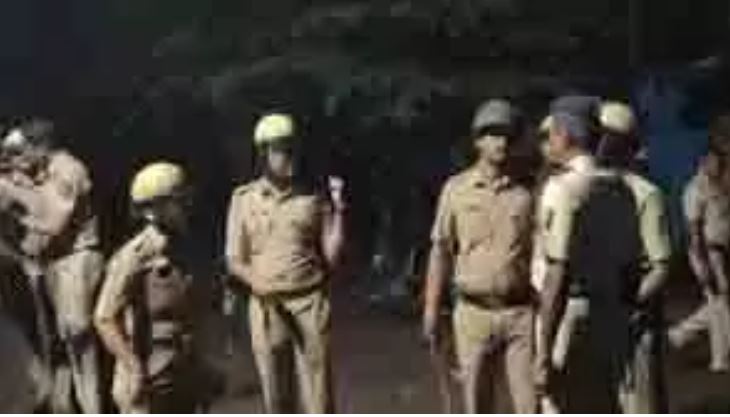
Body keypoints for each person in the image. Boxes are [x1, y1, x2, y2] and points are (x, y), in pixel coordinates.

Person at [225, 113, 347, 413]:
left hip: (310, 303)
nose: (290, 156)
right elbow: (234, 259)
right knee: (276, 398)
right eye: (281, 150)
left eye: (293, 148)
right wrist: (257, 283)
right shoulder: (243, 199)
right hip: (267, 307)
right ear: (263, 155)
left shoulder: (313, 197)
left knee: (319, 398)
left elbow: (331, 257)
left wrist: (340, 212)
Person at [422, 99, 537, 413]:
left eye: (507, 135)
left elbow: (538, 255)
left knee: (530, 405)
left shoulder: (526, 194)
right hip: (472, 314)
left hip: (519, 314)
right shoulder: (455, 190)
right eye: (493, 134)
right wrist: (431, 308)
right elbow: (440, 251)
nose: (501, 142)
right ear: (477, 141)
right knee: (476, 406)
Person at [536, 96, 642, 413]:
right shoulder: (622, 190)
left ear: (565, 134)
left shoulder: (562, 189)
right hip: (610, 314)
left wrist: (543, 353)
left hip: (569, 317)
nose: (549, 140)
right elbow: (630, 267)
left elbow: (557, 273)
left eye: (552, 133)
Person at [0, 119, 103, 413]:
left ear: (41, 147)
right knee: (60, 349)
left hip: (74, 262)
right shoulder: (43, 173)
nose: (17, 160)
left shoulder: (66, 170)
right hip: (55, 265)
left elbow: (53, 223)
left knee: (79, 344)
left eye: (21, 152)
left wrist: (14, 202)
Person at [95, 162, 213, 413]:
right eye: (178, 200)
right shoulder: (134, 256)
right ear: (152, 210)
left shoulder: (185, 247)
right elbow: (104, 318)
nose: (186, 205)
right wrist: (133, 367)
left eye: (185, 198)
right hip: (149, 376)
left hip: (182, 370)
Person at [597, 101, 672, 412]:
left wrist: (629, 306)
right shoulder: (588, 187)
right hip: (595, 315)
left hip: (635, 315)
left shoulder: (645, 193)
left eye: (605, 136)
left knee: (640, 402)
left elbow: (660, 266)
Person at [669, 114, 730, 373]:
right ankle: (720, 360)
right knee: (720, 302)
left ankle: (680, 334)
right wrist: (704, 266)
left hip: (722, 250)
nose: (718, 165)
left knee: (721, 302)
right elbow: (694, 234)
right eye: (714, 162)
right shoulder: (694, 190)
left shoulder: (720, 185)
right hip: (707, 251)